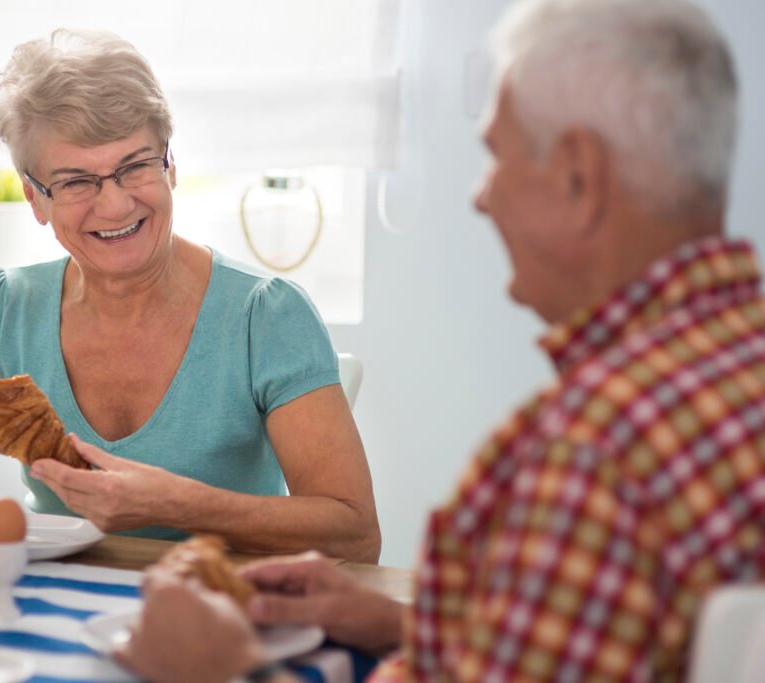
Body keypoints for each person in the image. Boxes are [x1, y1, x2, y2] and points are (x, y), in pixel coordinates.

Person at [115, 0, 765, 680]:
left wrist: (226, 667)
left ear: (578, 174)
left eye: (496, 157)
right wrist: (405, 623)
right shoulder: (729, 364)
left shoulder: (592, 456)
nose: (483, 198)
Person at [0, 28, 380, 563]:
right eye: (77, 181)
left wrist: (180, 504)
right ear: (36, 199)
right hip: (47, 614)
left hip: (222, 619)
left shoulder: (265, 316)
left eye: (135, 166)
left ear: (170, 165)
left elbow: (355, 534)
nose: (115, 205)